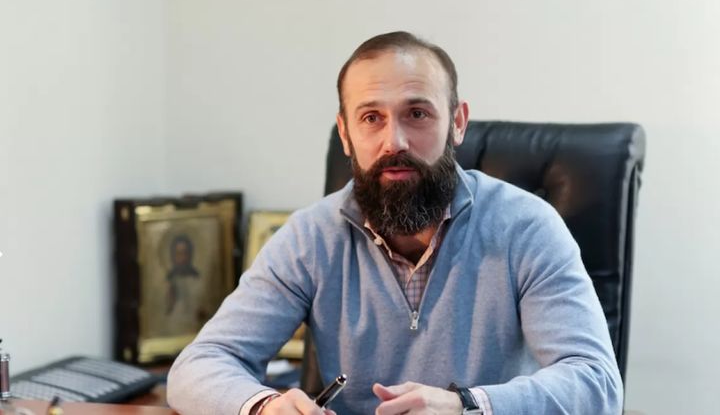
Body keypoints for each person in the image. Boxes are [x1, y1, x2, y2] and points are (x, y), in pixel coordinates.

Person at [166, 31, 623, 414]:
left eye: (417, 114)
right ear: (346, 134)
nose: (395, 141)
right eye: (371, 118)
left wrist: (466, 406)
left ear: (457, 122)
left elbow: (596, 382)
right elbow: (199, 365)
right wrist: (264, 406)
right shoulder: (310, 237)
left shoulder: (527, 227)